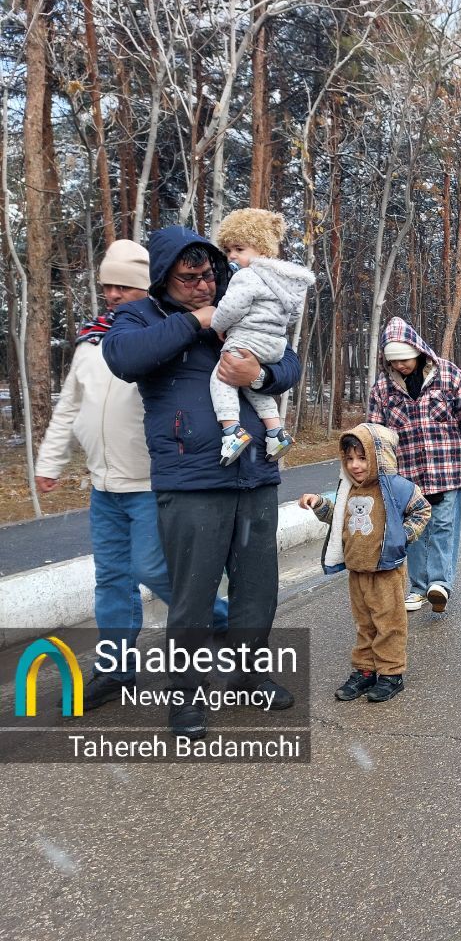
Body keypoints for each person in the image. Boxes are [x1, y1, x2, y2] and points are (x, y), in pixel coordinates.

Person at [102, 226, 301, 740]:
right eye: (189, 278)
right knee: (192, 596)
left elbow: (290, 358)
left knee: (257, 589)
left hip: (254, 471)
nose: (203, 285)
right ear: (165, 278)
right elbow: (124, 359)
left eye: (209, 275)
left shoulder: (241, 292)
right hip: (191, 481)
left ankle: (250, 674)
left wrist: (258, 375)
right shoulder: (140, 314)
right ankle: (185, 699)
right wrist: (196, 322)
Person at [35, 239, 227, 709]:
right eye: (108, 286)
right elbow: (69, 406)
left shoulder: (162, 337)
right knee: (112, 579)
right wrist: (49, 461)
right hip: (104, 485)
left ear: (148, 287)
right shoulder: (89, 342)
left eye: (125, 286)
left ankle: (225, 621)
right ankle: (115, 668)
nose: (114, 295)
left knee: (153, 569)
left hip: (148, 481)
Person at [299, 423, 431, 703]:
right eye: (349, 459)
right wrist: (320, 504)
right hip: (357, 569)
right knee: (365, 623)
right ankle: (365, 671)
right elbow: (340, 519)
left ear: (378, 455)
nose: (355, 465)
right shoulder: (349, 489)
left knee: (389, 622)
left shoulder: (395, 487)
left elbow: (422, 510)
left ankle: (391, 674)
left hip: (386, 569)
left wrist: (402, 536)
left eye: (362, 457)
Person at [368, 317, 461, 614]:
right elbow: (374, 435)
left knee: (444, 525)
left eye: (405, 359)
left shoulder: (448, 374)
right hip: (406, 475)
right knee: (415, 530)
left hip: (447, 467)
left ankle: (440, 584)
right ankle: (419, 587)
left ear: (418, 351)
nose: (401, 366)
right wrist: (375, 474)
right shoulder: (382, 389)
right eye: (394, 362)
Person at [211, 209, 313, 464]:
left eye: (239, 248)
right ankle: (276, 431)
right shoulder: (286, 279)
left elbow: (232, 308)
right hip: (275, 344)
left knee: (222, 377)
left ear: (262, 248)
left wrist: (217, 325)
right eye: (227, 250)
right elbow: (294, 313)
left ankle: (231, 431)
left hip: (247, 338)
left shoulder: (247, 275)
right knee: (251, 383)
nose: (232, 256)